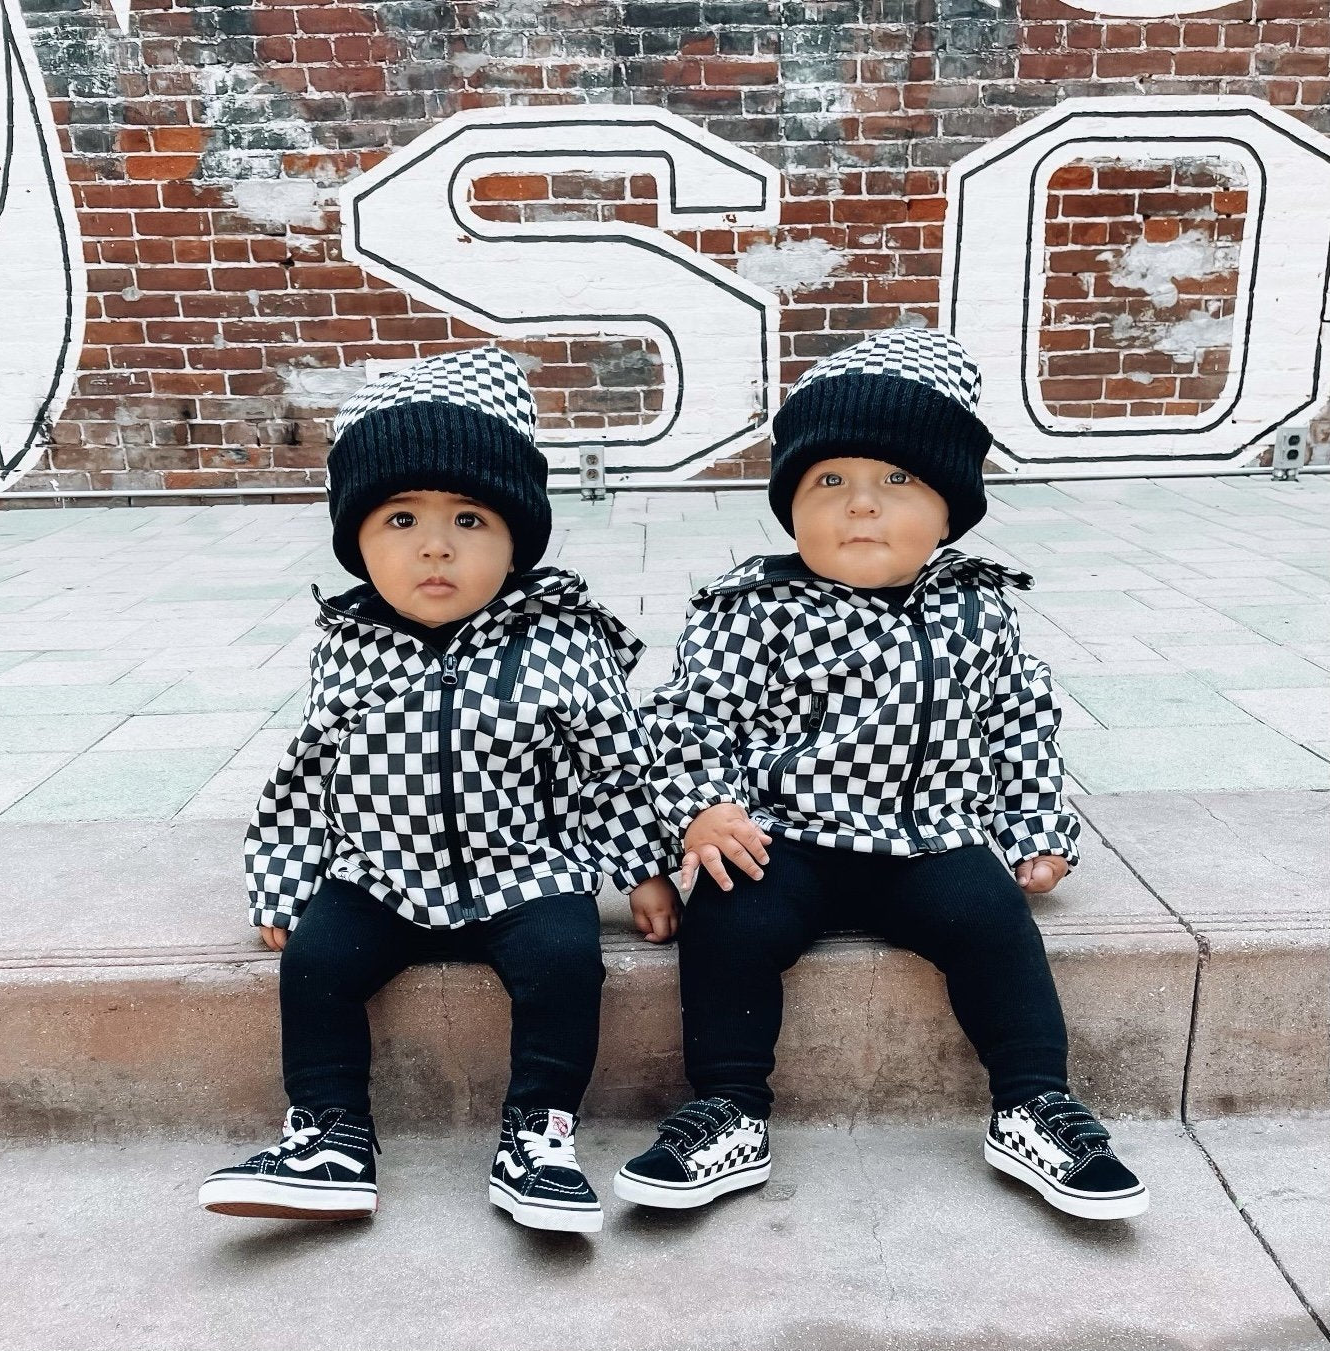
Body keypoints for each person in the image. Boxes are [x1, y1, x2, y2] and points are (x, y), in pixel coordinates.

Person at [614, 328, 1148, 1222]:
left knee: (994, 924)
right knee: (729, 922)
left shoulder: (977, 607)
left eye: (896, 479)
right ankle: (728, 1107)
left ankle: (1032, 1102)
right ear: (789, 508)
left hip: (931, 838)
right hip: (786, 840)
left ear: (948, 511)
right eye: (828, 482)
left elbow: (1017, 721)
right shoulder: (753, 606)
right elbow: (687, 718)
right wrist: (702, 808)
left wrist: (1035, 832)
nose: (859, 504)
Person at [198, 347, 680, 1233]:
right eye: (399, 519)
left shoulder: (558, 639)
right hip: (380, 871)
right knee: (315, 966)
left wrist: (643, 867)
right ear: (356, 541)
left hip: (525, 867)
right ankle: (330, 1137)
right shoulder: (348, 645)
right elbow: (308, 774)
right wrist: (283, 880)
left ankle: (538, 1134)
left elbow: (611, 762)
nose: (434, 544)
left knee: (565, 961)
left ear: (516, 539)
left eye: (468, 518)